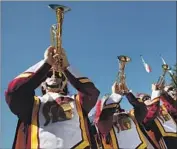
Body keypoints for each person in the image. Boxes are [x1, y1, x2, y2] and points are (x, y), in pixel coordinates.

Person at [5, 46, 100, 149]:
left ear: (65, 83)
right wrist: (46, 64)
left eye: (60, 75)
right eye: (48, 74)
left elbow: (92, 93)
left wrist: (66, 67)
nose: (54, 76)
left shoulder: (77, 102)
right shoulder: (33, 104)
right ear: (42, 83)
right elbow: (14, 92)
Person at [93, 82, 158, 149]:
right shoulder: (101, 123)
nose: (113, 105)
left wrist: (127, 92)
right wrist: (114, 96)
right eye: (107, 103)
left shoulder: (129, 115)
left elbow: (142, 109)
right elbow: (104, 120)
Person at [136, 84, 177, 149]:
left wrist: (162, 93)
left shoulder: (162, 107)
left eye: (149, 97)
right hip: (166, 142)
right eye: (145, 99)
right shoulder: (144, 116)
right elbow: (153, 111)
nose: (149, 99)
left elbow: (173, 108)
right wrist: (155, 94)